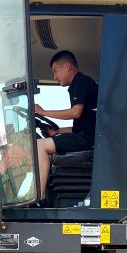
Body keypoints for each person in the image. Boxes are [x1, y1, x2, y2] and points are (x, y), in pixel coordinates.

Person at [33, 50, 97, 201]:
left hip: (88, 139)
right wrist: (58, 131)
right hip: (86, 136)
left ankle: (38, 197)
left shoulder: (81, 82)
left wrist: (43, 112)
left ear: (67, 66)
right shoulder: (78, 85)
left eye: (56, 71)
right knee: (45, 146)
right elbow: (81, 126)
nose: (55, 77)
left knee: (39, 146)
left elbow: (75, 113)